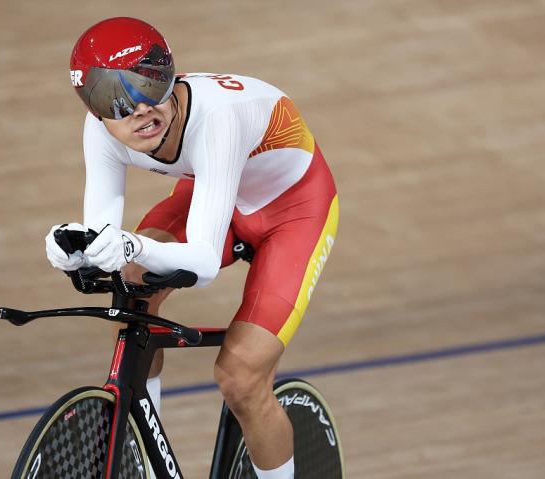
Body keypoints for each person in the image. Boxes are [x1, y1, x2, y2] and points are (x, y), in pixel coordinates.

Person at [45, 16, 338, 479]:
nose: (140, 109)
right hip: (215, 191)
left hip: (294, 210)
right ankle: (146, 458)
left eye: (150, 84)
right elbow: (105, 236)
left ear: (171, 75)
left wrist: (128, 244)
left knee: (241, 378)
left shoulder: (218, 118)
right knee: (131, 287)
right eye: (114, 99)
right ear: (92, 108)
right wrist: (75, 248)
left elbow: (202, 262)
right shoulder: (99, 130)